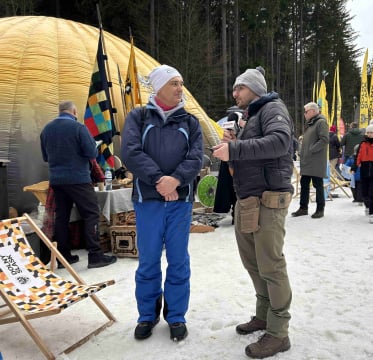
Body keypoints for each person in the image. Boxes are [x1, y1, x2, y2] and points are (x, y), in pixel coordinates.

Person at [212, 66, 293, 359]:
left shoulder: (273, 109)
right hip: (249, 200)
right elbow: (251, 152)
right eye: (234, 88)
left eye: (240, 88)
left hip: (269, 200)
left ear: (255, 88)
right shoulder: (254, 115)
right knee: (254, 264)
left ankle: (278, 332)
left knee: (271, 265)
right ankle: (264, 316)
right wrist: (234, 144)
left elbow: (281, 142)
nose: (235, 93)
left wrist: (235, 150)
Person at [121, 65, 203, 342]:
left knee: (179, 260)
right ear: (159, 87)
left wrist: (176, 180)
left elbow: (196, 157)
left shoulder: (190, 122)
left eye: (181, 83)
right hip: (149, 200)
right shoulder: (139, 117)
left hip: (180, 201)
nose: (180, 88)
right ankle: (147, 314)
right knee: (148, 260)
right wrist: (159, 180)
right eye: (174, 83)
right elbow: (130, 152)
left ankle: (176, 314)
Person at [40, 101, 117, 269]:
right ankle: (95, 255)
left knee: (62, 217)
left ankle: (62, 257)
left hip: (57, 181)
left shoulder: (46, 129)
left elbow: (46, 157)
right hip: (78, 179)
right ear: (74, 111)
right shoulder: (79, 128)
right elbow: (91, 153)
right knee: (91, 214)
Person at [291, 102, 329, 219]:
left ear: (313, 111)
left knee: (318, 185)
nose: (304, 114)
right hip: (308, 161)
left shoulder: (321, 122)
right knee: (304, 184)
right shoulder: (311, 124)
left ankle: (320, 209)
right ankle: (303, 208)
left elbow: (324, 140)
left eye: (306, 112)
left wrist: (311, 150)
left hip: (316, 161)